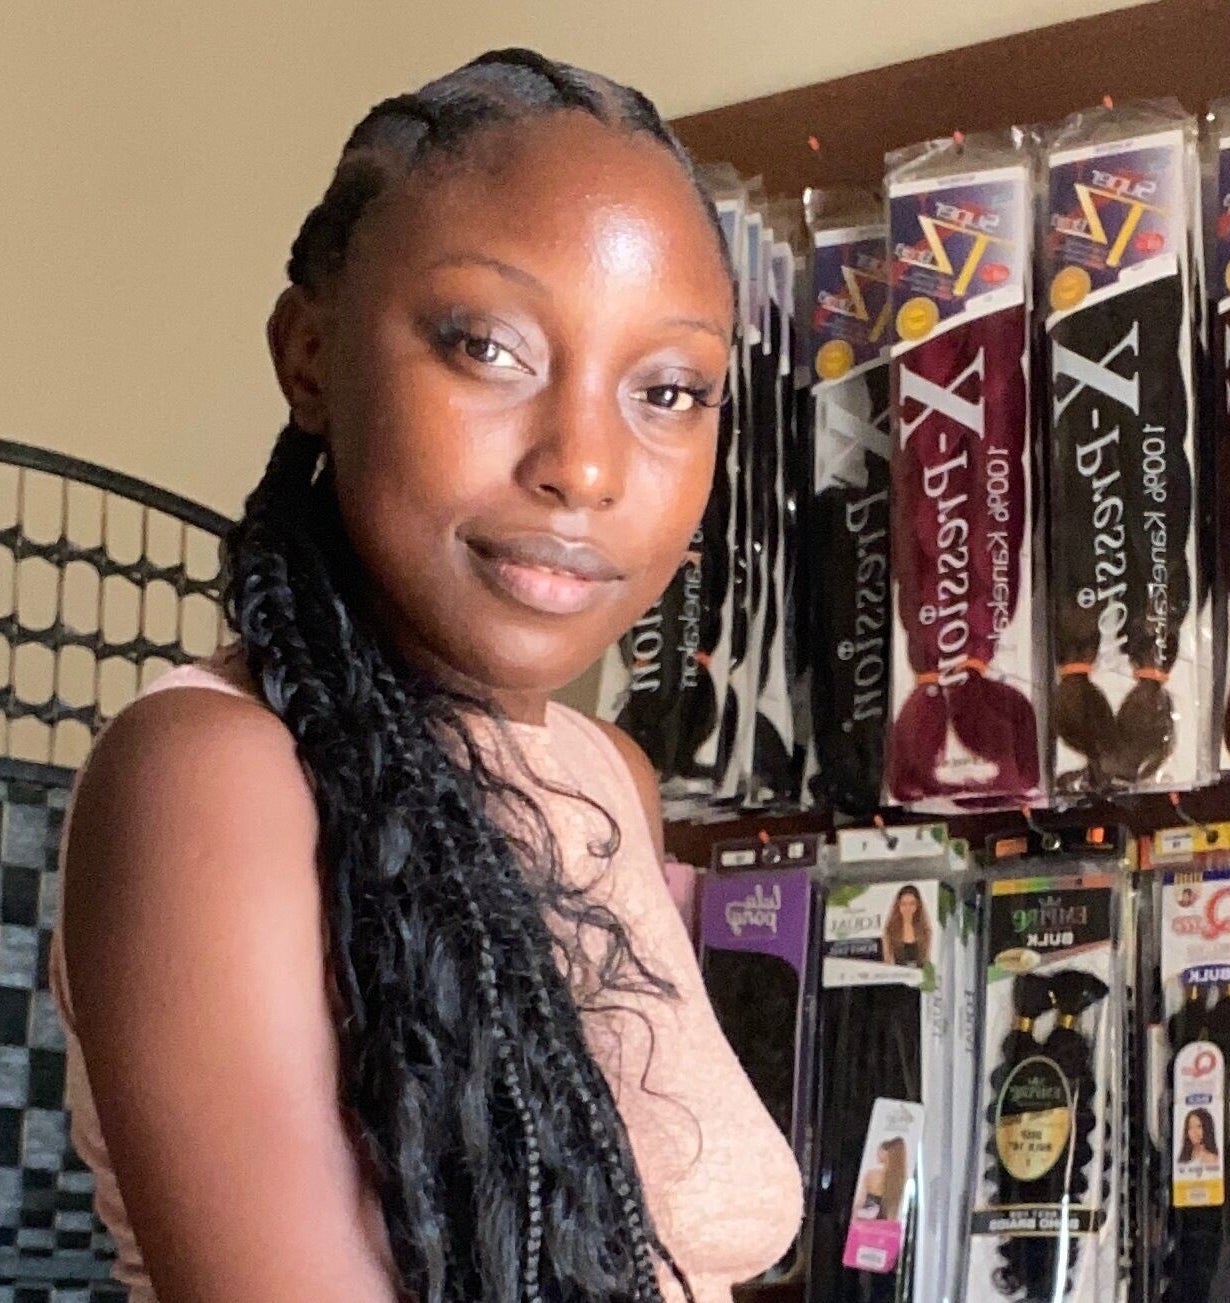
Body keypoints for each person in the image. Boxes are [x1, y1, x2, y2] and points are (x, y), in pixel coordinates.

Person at [53, 50, 802, 1303]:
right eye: (488, 348)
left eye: (668, 390)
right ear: (309, 358)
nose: (585, 465)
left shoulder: (605, 777)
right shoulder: (215, 775)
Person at [852, 1137, 910, 1223]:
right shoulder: (901, 1180)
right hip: (886, 1226)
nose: (877, 1153)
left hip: (866, 1222)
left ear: (886, 1153)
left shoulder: (872, 1175)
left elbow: (860, 1202)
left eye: (880, 1150)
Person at [880, 884, 929, 967]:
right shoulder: (889, 930)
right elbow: (887, 962)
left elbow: (927, 961)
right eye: (904, 904)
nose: (908, 908)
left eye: (912, 904)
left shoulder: (925, 931)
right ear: (898, 906)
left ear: (918, 905)